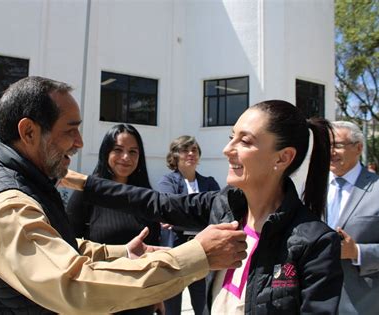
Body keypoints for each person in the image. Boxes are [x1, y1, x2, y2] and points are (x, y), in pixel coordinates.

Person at [0, 76, 248, 314]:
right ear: (28, 132)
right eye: (70, 130)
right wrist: (195, 256)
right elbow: (77, 284)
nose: (79, 142)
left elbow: (64, 247)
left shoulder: (31, 186)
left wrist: (123, 253)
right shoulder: (10, 207)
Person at [61, 100, 344, 314]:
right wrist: (81, 182)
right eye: (231, 136)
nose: (227, 149)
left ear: (283, 158)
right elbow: (154, 202)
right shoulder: (222, 206)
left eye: (244, 141)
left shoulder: (314, 243)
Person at [66, 123, 162, 315]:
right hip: (97, 298)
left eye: (133, 151)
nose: (126, 157)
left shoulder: (147, 198)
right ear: (106, 153)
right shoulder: (85, 195)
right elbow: (68, 247)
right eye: (118, 150)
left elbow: (155, 252)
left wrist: (158, 295)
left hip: (139, 299)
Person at [157, 136, 220, 315]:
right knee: (172, 306)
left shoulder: (210, 183)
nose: (191, 153)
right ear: (175, 155)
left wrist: (180, 218)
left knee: (204, 305)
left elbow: (217, 213)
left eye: (195, 150)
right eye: (185, 150)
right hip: (175, 252)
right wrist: (199, 218)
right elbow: (169, 209)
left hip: (202, 252)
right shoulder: (167, 182)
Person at [327, 121, 379, 314]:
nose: (331, 151)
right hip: (313, 300)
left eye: (338, 145)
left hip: (362, 304)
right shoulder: (310, 188)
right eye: (327, 145)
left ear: (358, 148)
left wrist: (357, 252)